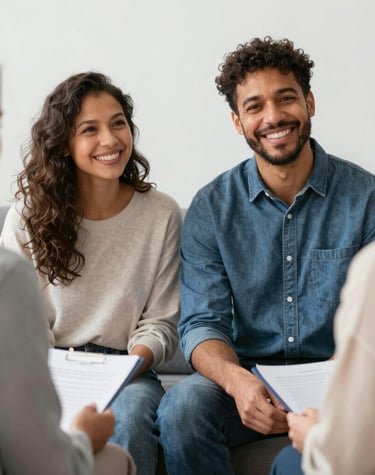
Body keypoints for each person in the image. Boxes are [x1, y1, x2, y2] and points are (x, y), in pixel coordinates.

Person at [156, 36, 375, 475]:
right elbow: (202, 323)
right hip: (249, 378)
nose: (273, 117)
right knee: (182, 409)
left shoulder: (366, 198)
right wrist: (239, 383)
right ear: (238, 122)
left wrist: (335, 391)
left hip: (340, 382)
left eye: (286, 98)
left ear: (309, 102)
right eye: (254, 106)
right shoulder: (212, 208)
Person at [0, 72, 181, 474]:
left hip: (129, 370)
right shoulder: (28, 216)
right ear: (64, 144)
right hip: (49, 367)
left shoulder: (161, 214)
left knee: (130, 418)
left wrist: (127, 367)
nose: (110, 140)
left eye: (118, 123)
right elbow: (19, 325)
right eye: (89, 129)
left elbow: (161, 322)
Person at [0, 246, 136, 475]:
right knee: (115, 458)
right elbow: (40, 465)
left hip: (124, 364)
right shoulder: (10, 274)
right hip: (54, 362)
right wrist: (84, 435)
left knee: (133, 408)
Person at [270, 240, 375, 474]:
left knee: (289, 462)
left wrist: (315, 437)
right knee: (186, 408)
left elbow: (353, 459)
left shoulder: (370, 269)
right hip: (251, 375)